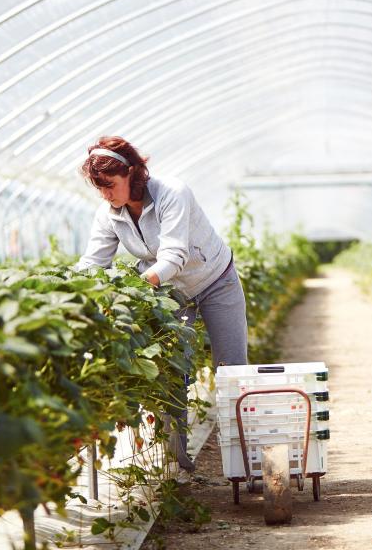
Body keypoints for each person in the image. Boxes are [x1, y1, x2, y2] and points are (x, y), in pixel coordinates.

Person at [75, 136, 248, 473]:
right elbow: (93, 263)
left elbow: (174, 256)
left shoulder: (173, 192)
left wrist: (135, 287)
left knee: (232, 371)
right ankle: (177, 466)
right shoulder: (109, 213)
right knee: (171, 372)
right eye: (99, 188)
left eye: (110, 185)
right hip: (170, 292)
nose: (106, 194)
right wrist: (73, 290)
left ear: (132, 173)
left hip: (214, 280)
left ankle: (244, 459)